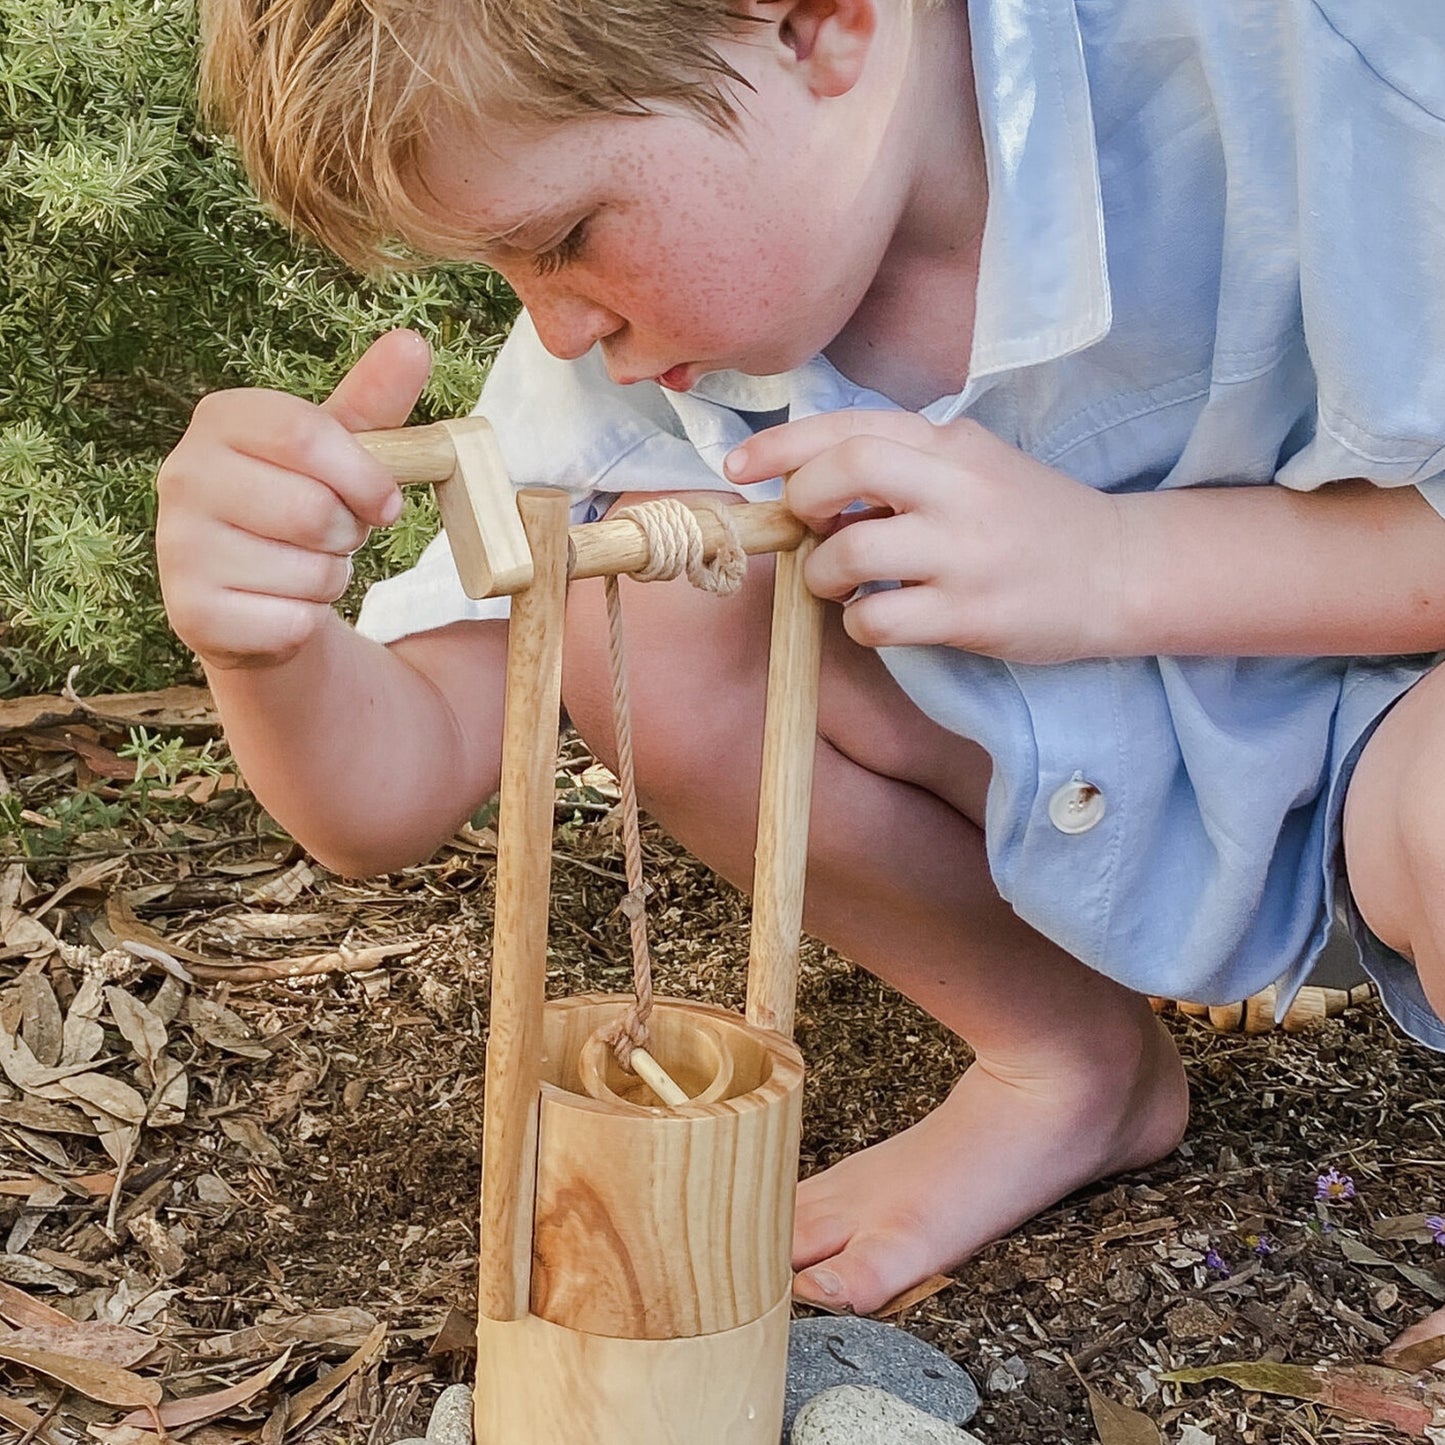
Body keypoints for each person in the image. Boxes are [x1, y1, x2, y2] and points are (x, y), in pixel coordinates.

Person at [157, 0, 1445, 1316]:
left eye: (564, 239)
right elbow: (388, 790)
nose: (551, 328)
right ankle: (1062, 1061)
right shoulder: (637, 361)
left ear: (824, 26)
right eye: (503, 271)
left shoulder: (1342, 63)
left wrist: (1111, 566)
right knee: (652, 604)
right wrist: (259, 638)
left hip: (1407, 724)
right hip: (1143, 779)